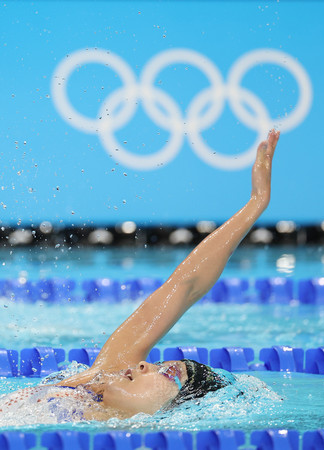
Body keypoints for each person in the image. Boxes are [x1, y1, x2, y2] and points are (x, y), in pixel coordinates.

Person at [0, 129, 280, 422]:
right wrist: (256, 203)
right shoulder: (102, 377)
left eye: (168, 373)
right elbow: (185, 285)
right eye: (161, 364)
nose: (146, 364)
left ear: (176, 408)